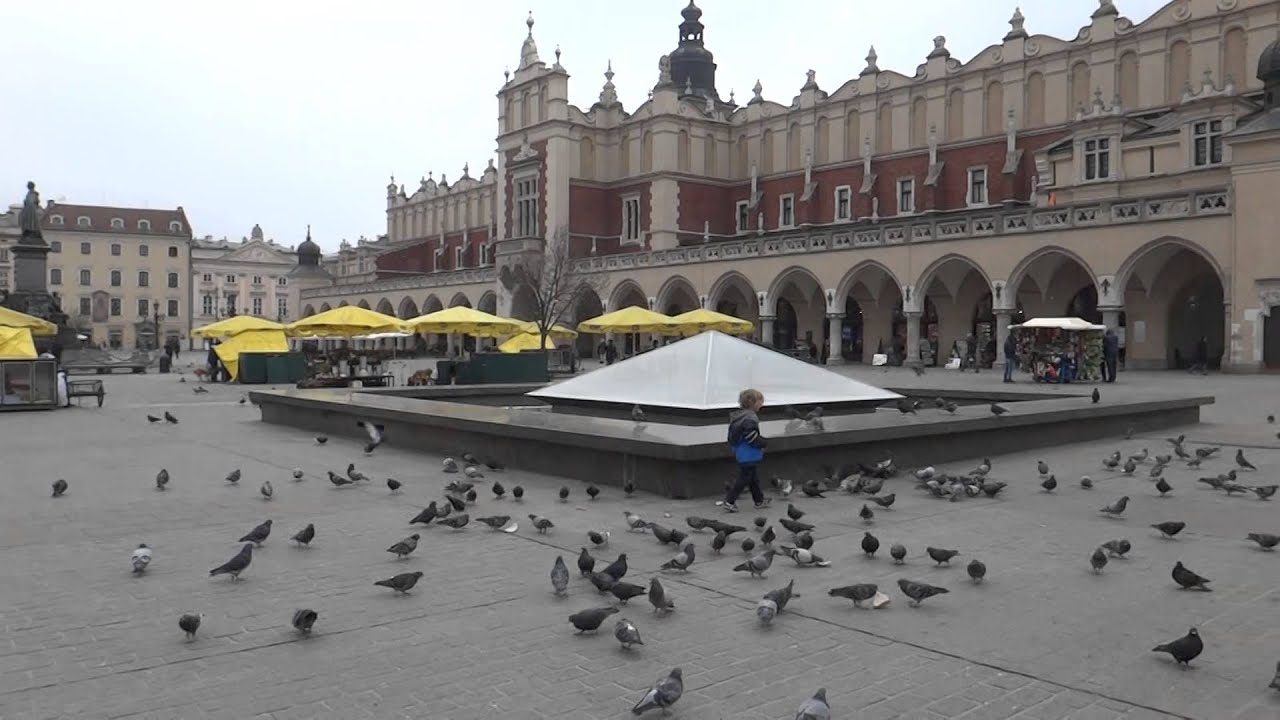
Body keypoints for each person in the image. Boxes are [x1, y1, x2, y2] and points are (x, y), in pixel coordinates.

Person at [719, 388, 771, 513]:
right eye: (760, 401)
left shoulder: (738, 416)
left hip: (741, 451)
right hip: (749, 452)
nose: (762, 404)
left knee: (753, 477)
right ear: (752, 403)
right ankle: (730, 501)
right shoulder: (749, 417)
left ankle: (759, 500)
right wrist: (762, 443)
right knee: (744, 478)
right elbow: (750, 435)